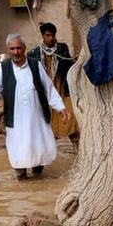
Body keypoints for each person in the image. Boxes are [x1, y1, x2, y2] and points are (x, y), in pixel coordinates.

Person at [0, 33, 70, 180]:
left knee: (38, 149)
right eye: (12, 49)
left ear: (24, 48)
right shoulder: (3, 68)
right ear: (8, 50)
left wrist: (60, 107)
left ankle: (37, 175)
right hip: (15, 118)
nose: (16, 52)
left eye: (18, 48)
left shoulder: (35, 65)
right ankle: (21, 176)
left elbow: (49, 88)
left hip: (36, 118)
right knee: (18, 149)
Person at [27, 22, 80, 151]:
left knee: (69, 114)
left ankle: (76, 146)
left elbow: (68, 65)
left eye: (53, 35)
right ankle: (45, 150)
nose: (50, 38)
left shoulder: (62, 49)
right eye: (48, 35)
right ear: (43, 36)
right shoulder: (34, 53)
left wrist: (75, 61)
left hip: (61, 87)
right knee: (45, 119)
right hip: (44, 91)